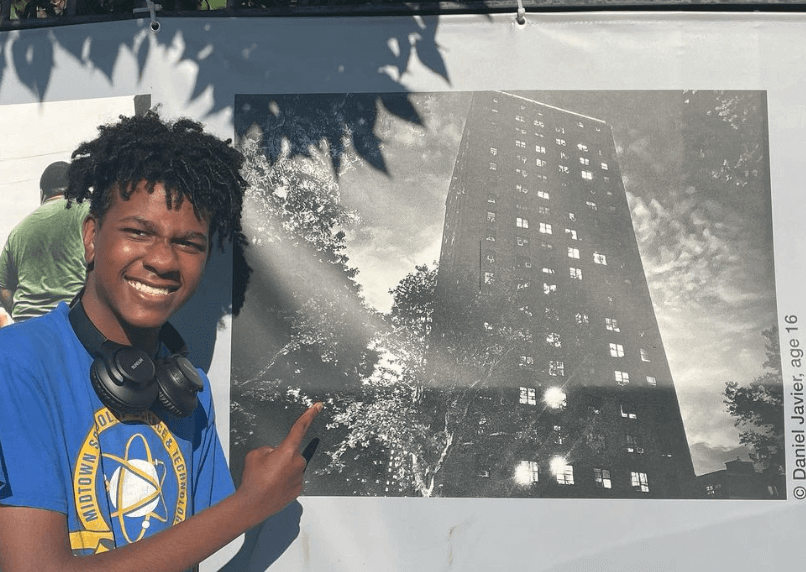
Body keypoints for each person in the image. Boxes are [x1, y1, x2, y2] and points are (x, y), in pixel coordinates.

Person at [0, 111, 320, 572]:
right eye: (138, 232)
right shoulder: (16, 366)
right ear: (92, 238)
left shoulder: (189, 390)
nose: (164, 260)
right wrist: (250, 505)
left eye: (189, 243)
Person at [0, 161, 90, 322]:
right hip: (72, 324)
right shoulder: (87, 213)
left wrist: (18, 310)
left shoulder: (18, 231)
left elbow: (3, 286)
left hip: (27, 327)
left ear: (42, 194)